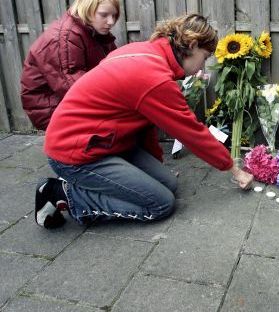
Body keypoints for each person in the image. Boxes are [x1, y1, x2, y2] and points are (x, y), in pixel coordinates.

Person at [35, 14, 254, 228]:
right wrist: (233, 169)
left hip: (105, 142)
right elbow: (191, 132)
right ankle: (62, 193)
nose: (202, 67)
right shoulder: (154, 77)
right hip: (75, 153)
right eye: (204, 58)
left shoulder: (145, 52)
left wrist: (154, 164)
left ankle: (96, 184)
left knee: (169, 184)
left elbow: (145, 122)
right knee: (160, 203)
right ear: (193, 45)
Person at [21, 0, 120, 130]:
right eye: (104, 15)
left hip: (71, 98)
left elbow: (114, 66)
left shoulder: (95, 32)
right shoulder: (66, 37)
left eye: (114, 16)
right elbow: (72, 85)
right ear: (87, 9)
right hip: (51, 106)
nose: (111, 22)